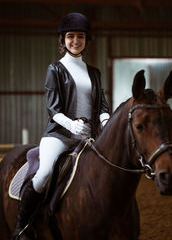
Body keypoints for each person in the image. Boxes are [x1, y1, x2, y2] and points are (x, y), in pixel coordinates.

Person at [12, 12, 110, 240]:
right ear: (63, 40)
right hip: (58, 135)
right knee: (44, 172)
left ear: (87, 40)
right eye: (71, 36)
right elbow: (53, 108)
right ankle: (21, 226)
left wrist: (105, 121)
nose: (76, 41)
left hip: (88, 136)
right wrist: (72, 126)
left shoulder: (94, 72)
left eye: (80, 36)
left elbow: (102, 105)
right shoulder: (54, 69)